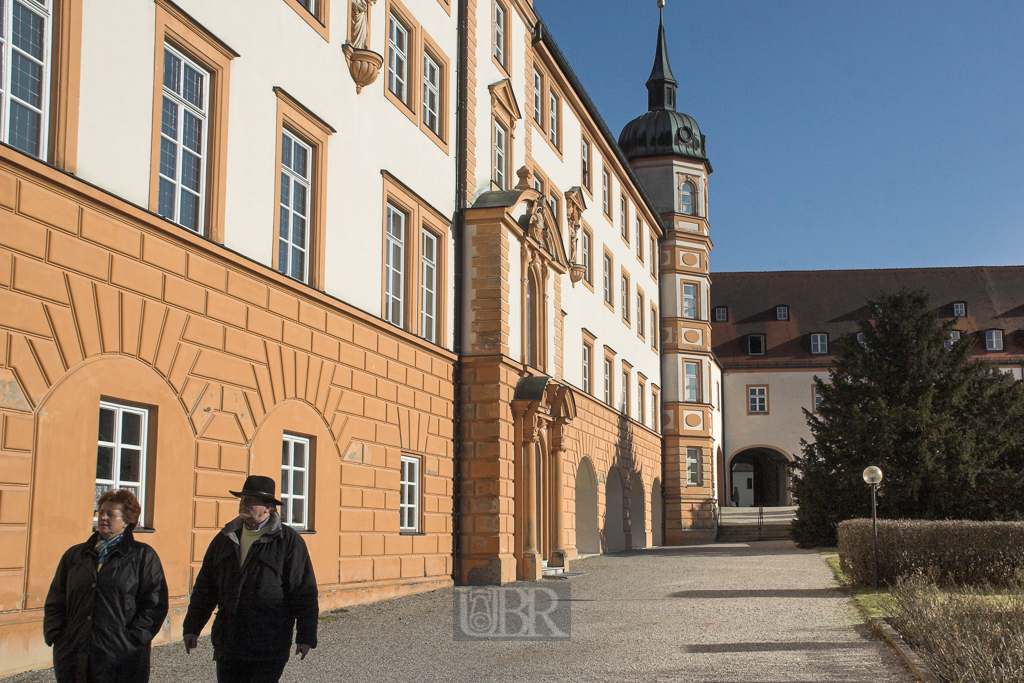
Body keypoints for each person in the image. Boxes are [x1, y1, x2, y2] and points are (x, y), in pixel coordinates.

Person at [183, 475, 318, 683]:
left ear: (269, 508)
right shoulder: (225, 538)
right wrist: (192, 626)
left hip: (268, 642)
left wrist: (306, 636)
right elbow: (205, 587)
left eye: (252, 499)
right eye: (243, 498)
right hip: (229, 642)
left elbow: (303, 591)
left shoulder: (288, 541)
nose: (245, 502)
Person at [44, 489, 169, 683]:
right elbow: (56, 599)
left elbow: (154, 604)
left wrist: (133, 640)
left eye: (110, 514)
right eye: (100, 513)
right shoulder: (76, 555)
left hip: (121, 659)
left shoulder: (143, 556)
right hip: (75, 654)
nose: (103, 518)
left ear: (127, 521)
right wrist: (57, 635)